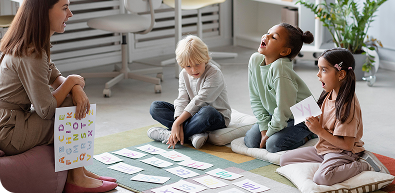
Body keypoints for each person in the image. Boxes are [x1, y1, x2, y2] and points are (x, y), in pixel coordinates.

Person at [0, 0, 117, 193]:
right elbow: (45, 109)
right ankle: (76, 177)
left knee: (73, 99)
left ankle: (78, 171)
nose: (70, 14)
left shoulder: (34, 43)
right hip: (9, 130)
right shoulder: (31, 52)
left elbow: (55, 76)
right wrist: (72, 82)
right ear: (44, 11)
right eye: (64, 8)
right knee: (70, 107)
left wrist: (75, 88)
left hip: (10, 121)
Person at [280, 48, 389, 185]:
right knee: (284, 159)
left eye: (324, 70)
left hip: (343, 152)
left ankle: (364, 164)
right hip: (324, 147)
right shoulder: (329, 93)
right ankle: (328, 162)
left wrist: (319, 130)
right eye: (319, 69)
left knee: (322, 178)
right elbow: (327, 119)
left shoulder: (347, 106)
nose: (318, 75)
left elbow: (347, 145)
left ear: (341, 74)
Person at [148, 35, 231, 149]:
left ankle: (171, 135)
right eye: (188, 66)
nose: (194, 70)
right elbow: (182, 99)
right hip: (192, 116)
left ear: (205, 58)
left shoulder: (214, 73)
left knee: (207, 112)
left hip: (214, 117)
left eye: (197, 64)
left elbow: (200, 101)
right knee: (155, 107)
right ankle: (192, 134)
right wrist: (178, 120)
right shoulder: (183, 74)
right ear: (182, 65)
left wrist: (176, 124)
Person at [244, 23, 316, 153]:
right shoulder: (255, 60)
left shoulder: (280, 68)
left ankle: (309, 135)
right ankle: (279, 129)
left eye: (273, 37)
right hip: (279, 115)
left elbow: (284, 108)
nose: (266, 36)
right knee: (250, 141)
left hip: (304, 117)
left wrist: (269, 133)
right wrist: (264, 128)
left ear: (284, 51)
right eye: (268, 32)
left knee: (273, 145)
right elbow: (255, 98)